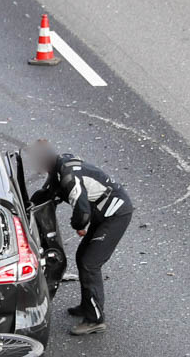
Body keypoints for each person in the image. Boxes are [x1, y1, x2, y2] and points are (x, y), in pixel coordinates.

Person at [31, 141, 131, 335]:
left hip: (115, 213)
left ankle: (95, 320)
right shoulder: (59, 168)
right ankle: (88, 306)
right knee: (82, 256)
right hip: (102, 212)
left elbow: (82, 211)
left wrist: (79, 226)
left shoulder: (69, 176)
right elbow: (48, 194)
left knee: (89, 263)